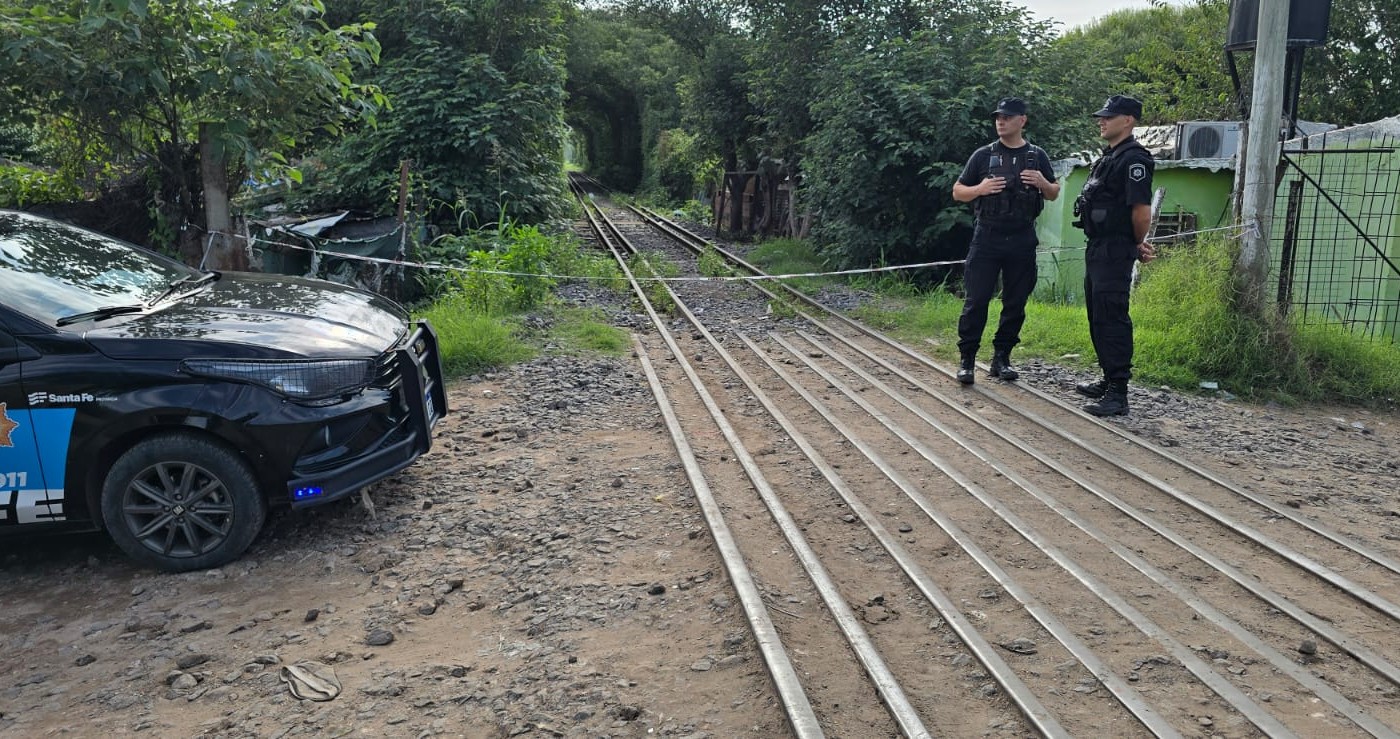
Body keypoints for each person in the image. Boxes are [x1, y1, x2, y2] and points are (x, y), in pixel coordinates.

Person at [951, 97, 1060, 385]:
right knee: (976, 301)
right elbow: (957, 191)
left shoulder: (1037, 156)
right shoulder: (984, 155)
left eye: (1007, 117)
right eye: (998, 117)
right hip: (987, 236)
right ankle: (967, 360)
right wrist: (980, 188)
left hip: (1022, 238)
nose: (1001, 121)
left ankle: (1002, 357)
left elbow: (1053, 193)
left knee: (1016, 302)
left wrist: (1042, 183)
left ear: (1022, 120)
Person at [1071, 94, 1157, 416]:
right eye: (1102, 116)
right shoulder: (1109, 156)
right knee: (1097, 315)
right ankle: (1108, 379)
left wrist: (1134, 244)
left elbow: (1141, 212)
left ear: (1128, 120)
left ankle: (1118, 393)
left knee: (1112, 317)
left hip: (1115, 248)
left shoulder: (1134, 159)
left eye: (1109, 116)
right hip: (1098, 246)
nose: (1101, 121)